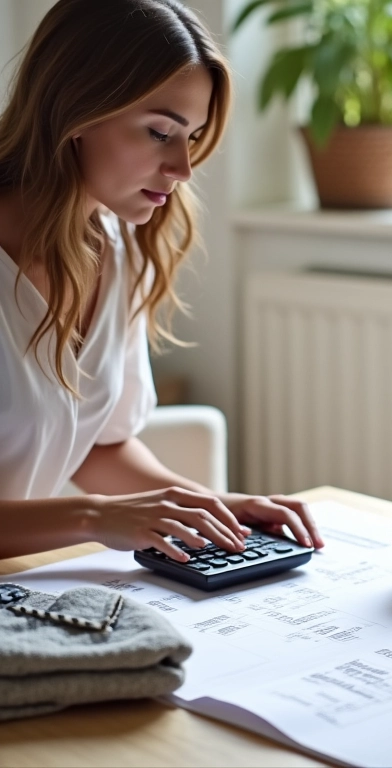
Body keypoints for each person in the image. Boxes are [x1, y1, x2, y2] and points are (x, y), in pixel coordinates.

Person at [0, 0, 323, 561]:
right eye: (158, 133)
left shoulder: (117, 245)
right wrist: (93, 517)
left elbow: (95, 445)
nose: (182, 168)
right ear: (77, 108)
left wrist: (211, 506)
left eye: (192, 137)